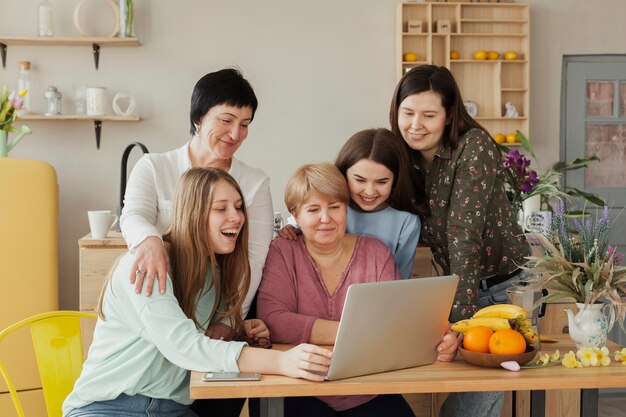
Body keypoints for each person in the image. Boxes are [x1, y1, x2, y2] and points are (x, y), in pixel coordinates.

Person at [63, 168, 332, 417]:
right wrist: (282, 361)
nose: (236, 217)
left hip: (173, 410)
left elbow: (197, 336)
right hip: (109, 408)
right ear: (193, 213)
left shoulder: (213, 272)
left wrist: (238, 329)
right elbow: (184, 346)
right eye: (221, 208)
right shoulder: (148, 267)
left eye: (239, 208)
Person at [257, 163, 458, 417]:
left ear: (346, 209)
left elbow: (395, 323)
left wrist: (441, 341)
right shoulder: (282, 251)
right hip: (298, 388)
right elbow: (273, 320)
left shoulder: (376, 253)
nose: (326, 218)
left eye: (334, 207)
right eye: (313, 209)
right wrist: (355, 334)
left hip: (366, 388)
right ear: (295, 215)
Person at [388, 64, 529, 417]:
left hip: (502, 290)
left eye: (429, 115)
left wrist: (462, 323)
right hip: (457, 288)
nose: (415, 124)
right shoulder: (407, 156)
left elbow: (462, 236)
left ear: (449, 116)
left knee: (468, 408)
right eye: (407, 113)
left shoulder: (474, 146)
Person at [280, 128, 424, 278]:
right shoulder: (329, 207)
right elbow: (301, 221)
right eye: (360, 180)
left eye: (382, 182)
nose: (369, 192)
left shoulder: (406, 222)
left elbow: (399, 279)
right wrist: (292, 228)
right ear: (343, 173)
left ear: (396, 179)